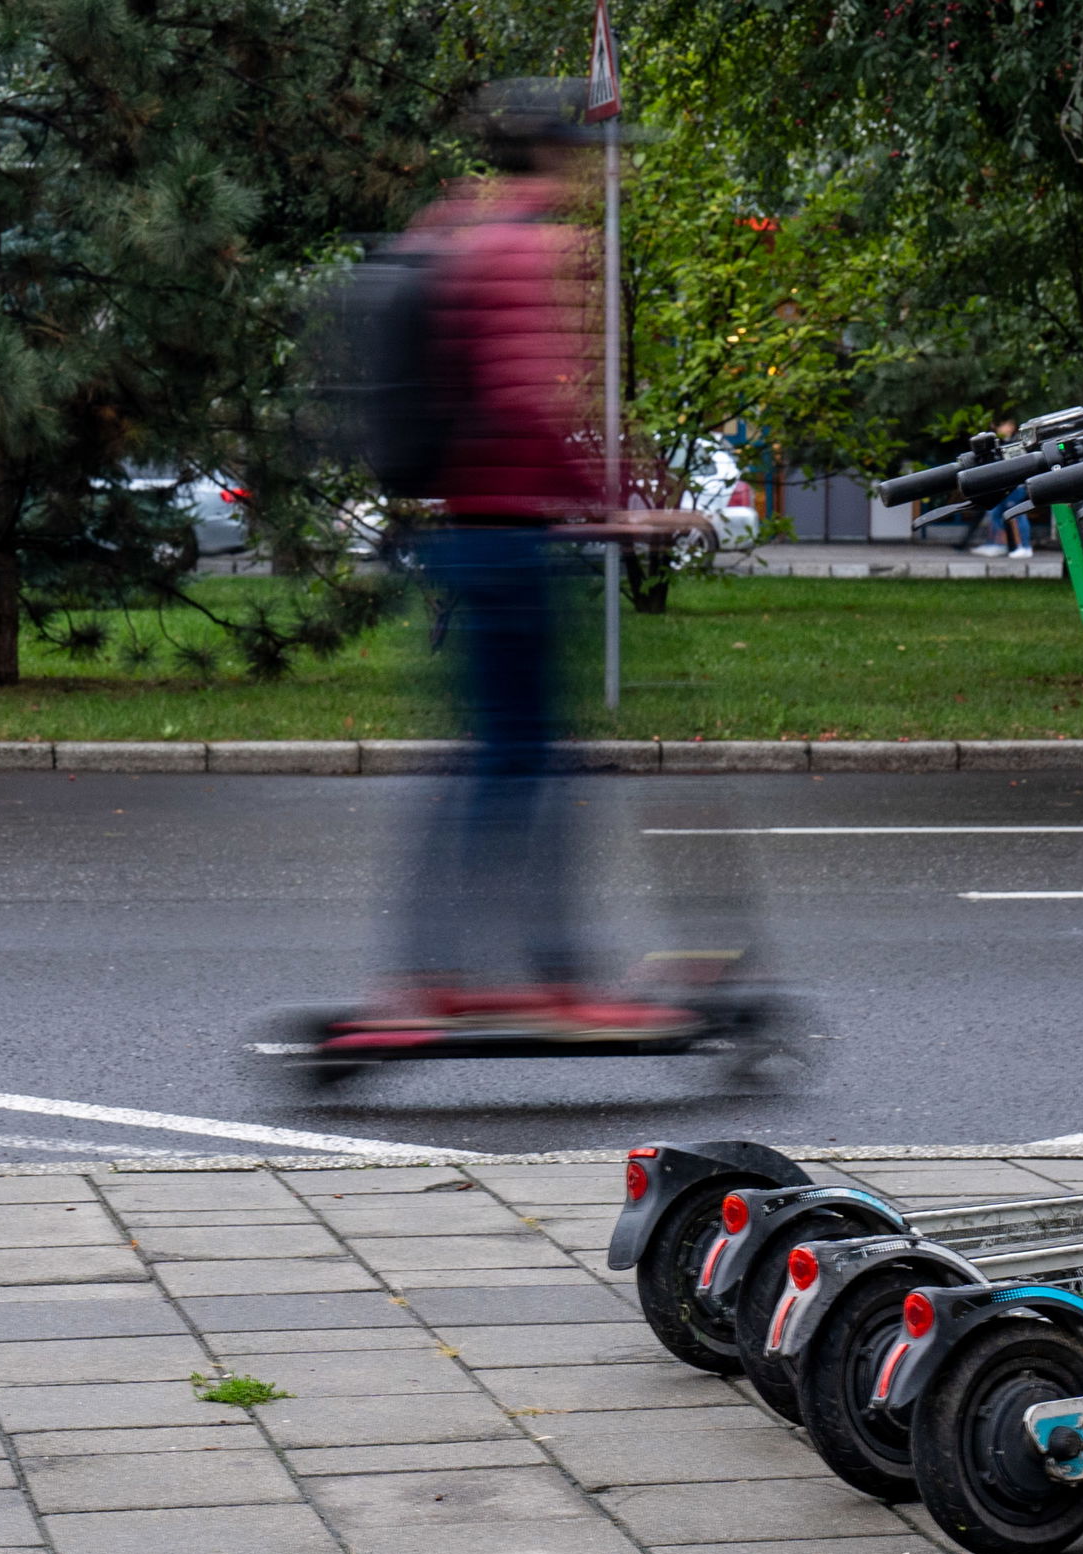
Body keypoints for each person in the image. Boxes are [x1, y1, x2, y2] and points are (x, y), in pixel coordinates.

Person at [348, 80, 695, 1044]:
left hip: (469, 535)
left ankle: (435, 972)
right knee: (534, 767)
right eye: (589, 149)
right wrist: (617, 506)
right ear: (553, 155)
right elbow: (524, 404)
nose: (600, 165)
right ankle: (551, 977)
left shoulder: (463, 234)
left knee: (492, 763)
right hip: (507, 543)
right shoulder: (531, 249)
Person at [964, 421, 1034, 558]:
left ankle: (1024, 546)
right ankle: (997, 544)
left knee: (1016, 514)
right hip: (1003, 485)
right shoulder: (999, 442)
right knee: (995, 514)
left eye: (1007, 424)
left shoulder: (1016, 442)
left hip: (1015, 486)